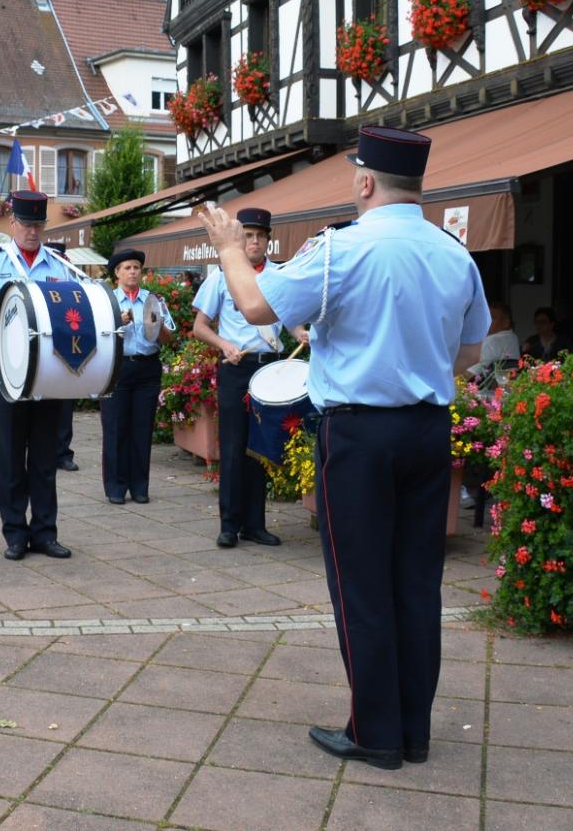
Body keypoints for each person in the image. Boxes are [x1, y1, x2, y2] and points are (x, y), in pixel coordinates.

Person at [200, 126, 489, 771]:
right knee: (416, 584)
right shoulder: (454, 255)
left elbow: (253, 306)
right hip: (428, 428)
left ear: (364, 182)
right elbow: (469, 355)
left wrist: (226, 247)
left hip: (360, 433)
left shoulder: (342, 250)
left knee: (362, 586)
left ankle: (376, 734)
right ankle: (413, 730)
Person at [0, 190, 75, 561]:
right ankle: (15, 534)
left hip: (48, 369)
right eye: (26, 224)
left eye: (39, 224)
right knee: (8, 452)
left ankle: (45, 532)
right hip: (6, 366)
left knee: (44, 454)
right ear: (12, 224)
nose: (33, 231)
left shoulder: (58, 264)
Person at [192, 208, 306, 549]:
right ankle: (229, 525)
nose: (254, 242)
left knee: (260, 449)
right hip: (235, 369)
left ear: (269, 240)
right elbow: (200, 327)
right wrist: (224, 344)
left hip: (270, 369)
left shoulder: (280, 276)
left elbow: (290, 319)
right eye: (249, 235)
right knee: (232, 447)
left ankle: (255, 524)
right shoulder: (222, 276)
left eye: (260, 236)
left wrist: (300, 333)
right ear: (239, 238)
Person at [101, 248, 175, 504]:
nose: (133, 272)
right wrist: (116, 322)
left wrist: (158, 326)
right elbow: (95, 335)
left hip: (147, 368)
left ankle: (140, 486)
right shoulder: (107, 300)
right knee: (115, 427)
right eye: (127, 268)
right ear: (117, 274)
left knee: (142, 428)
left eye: (136, 268)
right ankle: (116, 487)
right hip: (116, 366)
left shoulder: (153, 300)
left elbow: (169, 339)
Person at [46, 240, 79, 472]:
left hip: (66, 341)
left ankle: (63, 452)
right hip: (41, 341)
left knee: (65, 404)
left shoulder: (69, 272)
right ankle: (42, 450)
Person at [468, 300, 520, 379]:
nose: (486, 321)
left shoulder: (491, 341)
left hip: (489, 389)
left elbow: (469, 374)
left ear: (506, 323)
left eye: (492, 318)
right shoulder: (513, 338)